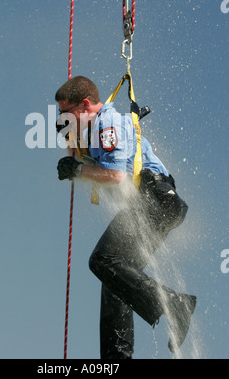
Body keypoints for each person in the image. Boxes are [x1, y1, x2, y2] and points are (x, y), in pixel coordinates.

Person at [55, 75, 196, 359]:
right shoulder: (88, 133)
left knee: (102, 260)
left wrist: (77, 170)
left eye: (66, 114)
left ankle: (174, 303)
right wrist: (70, 141)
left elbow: (116, 177)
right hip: (150, 207)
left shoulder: (109, 124)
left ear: (85, 105)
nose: (62, 121)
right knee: (116, 282)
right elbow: (81, 160)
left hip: (157, 202)